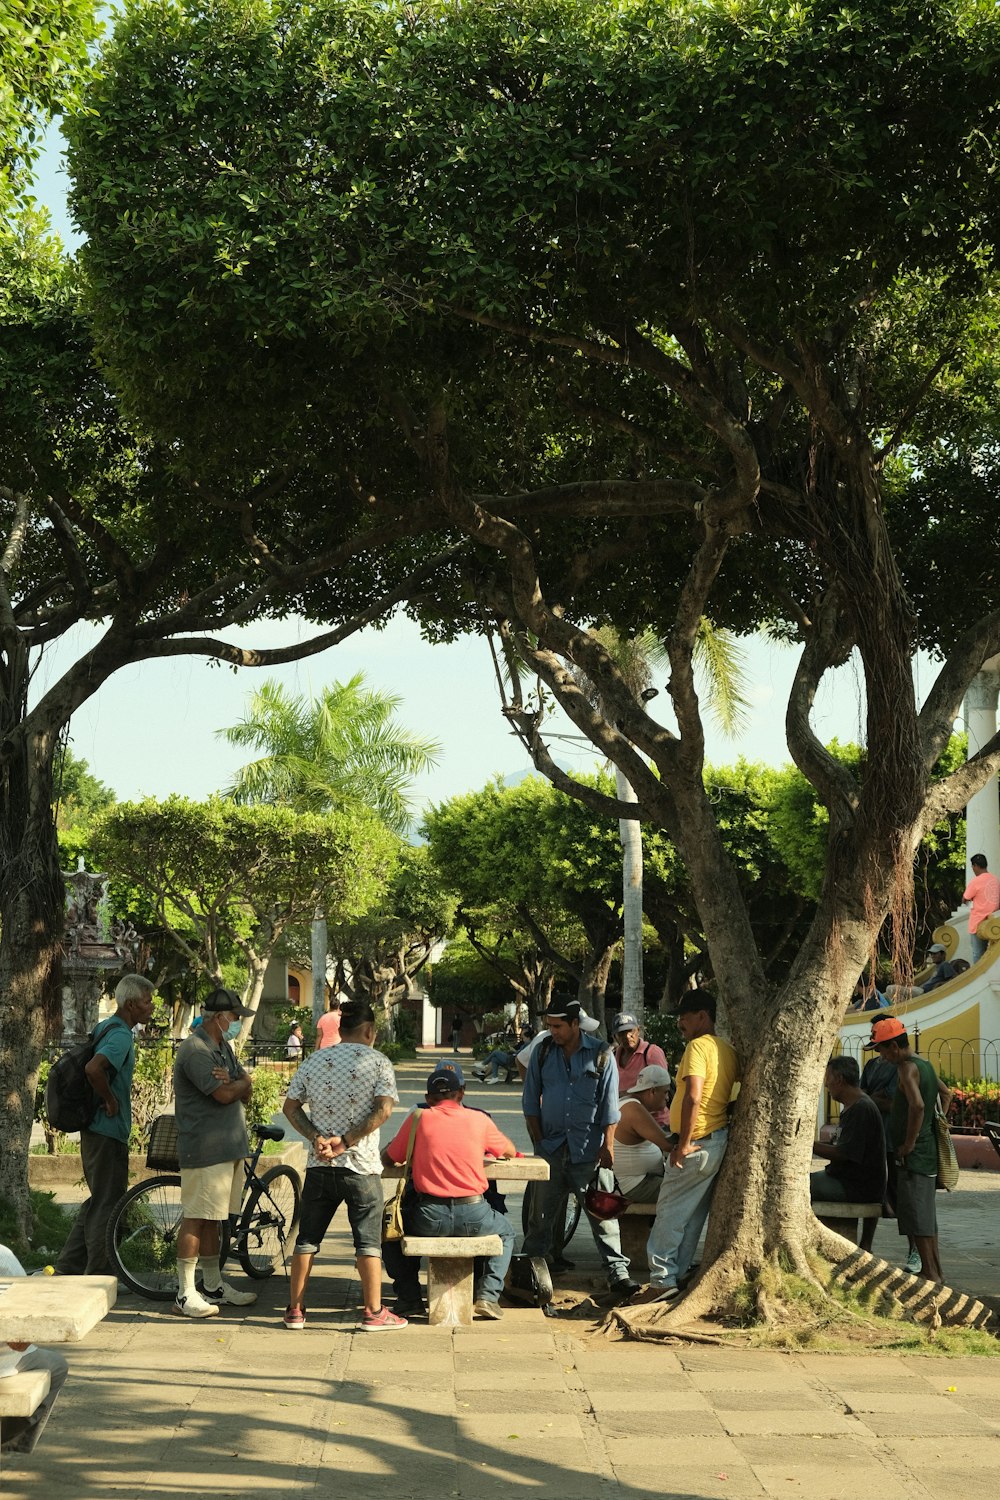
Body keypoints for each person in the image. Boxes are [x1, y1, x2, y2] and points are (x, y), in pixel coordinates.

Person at [281, 998, 404, 1332]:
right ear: (368, 1031)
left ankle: (295, 1310)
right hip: (361, 1167)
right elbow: (383, 1110)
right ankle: (374, 1312)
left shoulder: (314, 1061)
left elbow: (291, 1107)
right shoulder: (379, 1062)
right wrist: (347, 1141)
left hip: (319, 1165)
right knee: (368, 1241)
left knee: (307, 1238)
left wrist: (315, 1137)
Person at [521, 996, 638, 1302]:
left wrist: (608, 1146)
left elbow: (610, 1108)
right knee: (540, 1220)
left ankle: (619, 1276)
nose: (552, 1031)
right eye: (549, 1026)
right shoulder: (543, 1051)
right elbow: (530, 1101)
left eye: (558, 1026)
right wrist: (539, 1143)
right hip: (551, 1150)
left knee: (603, 1217)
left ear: (575, 1024)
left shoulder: (601, 1054)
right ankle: (529, 1276)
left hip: (589, 1152)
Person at [382, 1065, 517, 1319]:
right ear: (462, 1093)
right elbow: (509, 1150)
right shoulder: (479, 1120)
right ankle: (488, 1296)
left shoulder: (417, 1119)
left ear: (427, 1099)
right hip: (475, 1214)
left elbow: (388, 1159)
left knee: (389, 1230)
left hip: (428, 1217)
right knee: (507, 1232)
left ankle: (409, 1298)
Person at [637, 988, 740, 1304]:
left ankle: (662, 1279)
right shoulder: (727, 1050)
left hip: (695, 1142)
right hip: (715, 1140)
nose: (680, 1021)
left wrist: (682, 1145)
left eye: (685, 1015)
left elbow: (694, 1095)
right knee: (691, 1216)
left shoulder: (698, 1047)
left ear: (702, 1017)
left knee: (669, 1212)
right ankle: (674, 1277)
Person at [55, 974, 155, 1276]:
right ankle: (98, 1275)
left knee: (99, 1200)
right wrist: (111, 1100)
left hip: (97, 1129)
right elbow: (93, 1068)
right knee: (108, 1205)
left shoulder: (107, 1026)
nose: (151, 1007)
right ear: (131, 1004)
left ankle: (68, 1267)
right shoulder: (121, 1034)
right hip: (107, 1131)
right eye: (148, 1002)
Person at [171, 987, 259, 1318]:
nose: (237, 1022)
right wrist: (239, 1084)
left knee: (214, 1220)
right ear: (220, 1017)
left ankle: (213, 1285)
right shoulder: (196, 1051)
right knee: (196, 1217)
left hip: (228, 1147)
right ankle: (185, 1292)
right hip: (205, 1149)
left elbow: (243, 1089)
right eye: (235, 1017)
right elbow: (223, 1095)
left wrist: (240, 1082)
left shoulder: (223, 1047)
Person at [865, 1016, 952, 1282]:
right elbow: (945, 1095)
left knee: (916, 1215)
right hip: (925, 1150)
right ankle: (935, 1271)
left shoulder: (905, 1068)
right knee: (924, 1214)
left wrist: (910, 1141)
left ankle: (930, 1273)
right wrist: (931, 1127)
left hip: (914, 1153)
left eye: (880, 1049)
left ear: (893, 1046)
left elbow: (917, 1105)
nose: (881, 1055)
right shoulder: (924, 1064)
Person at [0, 1245, 69, 1457]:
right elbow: (28, 1308)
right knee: (57, 1367)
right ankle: (8, 1443)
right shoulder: (3, 1256)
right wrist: (21, 1335)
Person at [810, 1056, 886, 1205]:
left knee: (799, 1187)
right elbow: (838, 1144)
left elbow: (843, 1153)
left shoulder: (861, 1109)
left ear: (839, 1079)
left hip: (856, 1187)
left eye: (828, 1078)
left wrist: (808, 1145)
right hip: (846, 1180)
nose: (826, 1084)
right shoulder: (853, 1106)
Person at [615, 1065, 673, 1201]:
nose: (667, 1098)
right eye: (665, 1092)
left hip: (631, 1182)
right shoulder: (633, 1109)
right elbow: (668, 1144)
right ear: (652, 1091)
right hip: (632, 1186)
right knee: (684, 1190)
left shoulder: (628, 1102)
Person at [611, 1013, 670, 1124]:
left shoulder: (651, 1053)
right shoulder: (612, 1057)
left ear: (638, 1030)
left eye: (631, 1031)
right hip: (624, 1123)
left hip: (656, 1122)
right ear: (615, 1037)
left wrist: (625, 1097)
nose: (627, 1036)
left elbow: (662, 1090)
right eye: (622, 1033)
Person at [885, 943, 957, 1002]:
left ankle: (903, 1009)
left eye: (935, 954)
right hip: (919, 989)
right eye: (931, 954)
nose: (932, 956)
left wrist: (940, 984)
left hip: (922, 992)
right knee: (888, 994)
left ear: (943, 954)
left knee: (890, 988)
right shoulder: (936, 967)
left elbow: (954, 979)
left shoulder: (945, 964)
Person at [962, 853, 1000, 963]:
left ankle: (978, 980)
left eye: (972, 866)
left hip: (978, 923)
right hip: (994, 923)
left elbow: (965, 898)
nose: (973, 869)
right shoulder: (995, 880)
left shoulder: (975, 881)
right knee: (992, 955)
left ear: (976, 866)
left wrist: (970, 901)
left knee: (977, 954)